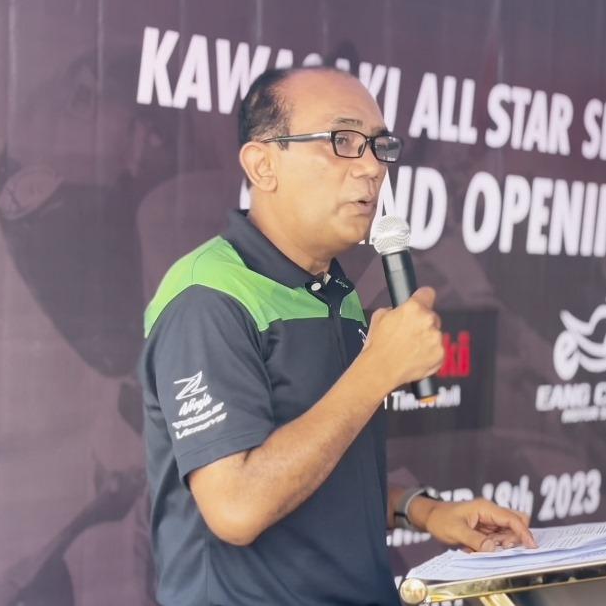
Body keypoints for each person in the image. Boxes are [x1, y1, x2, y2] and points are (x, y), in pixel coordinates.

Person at [139, 66, 536, 606]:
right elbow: (237, 507)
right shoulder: (208, 297)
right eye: (342, 141)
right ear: (262, 164)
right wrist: (375, 372)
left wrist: (424, 510)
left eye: (379, 145)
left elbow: (319, 471)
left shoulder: (335, 291)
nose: (372, 168)